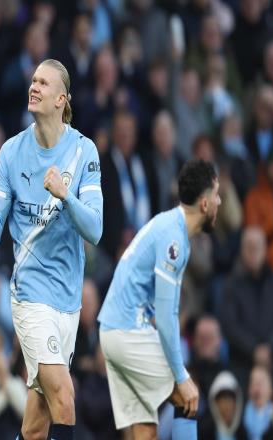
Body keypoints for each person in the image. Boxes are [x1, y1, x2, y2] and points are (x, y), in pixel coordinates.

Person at [0, 58, 103, 440]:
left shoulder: (83, 151)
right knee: (64, 396)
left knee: (36, 424)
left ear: (62, 99)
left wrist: (65, 195)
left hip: (68, 299)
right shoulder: (12, 152)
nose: (34, 87)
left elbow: (95, 230)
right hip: (30, 296)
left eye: (44, 83)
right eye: (33, 81)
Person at [98, 159, 222, 440]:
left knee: (145, 429)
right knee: (187, 396)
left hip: (114, 330)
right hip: (128, 329)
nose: (220, 201)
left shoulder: (172, 228)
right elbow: (166, 318)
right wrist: (180, 375)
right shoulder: (173, 239)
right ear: (204, 203)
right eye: (217, 195)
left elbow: (169, 313)